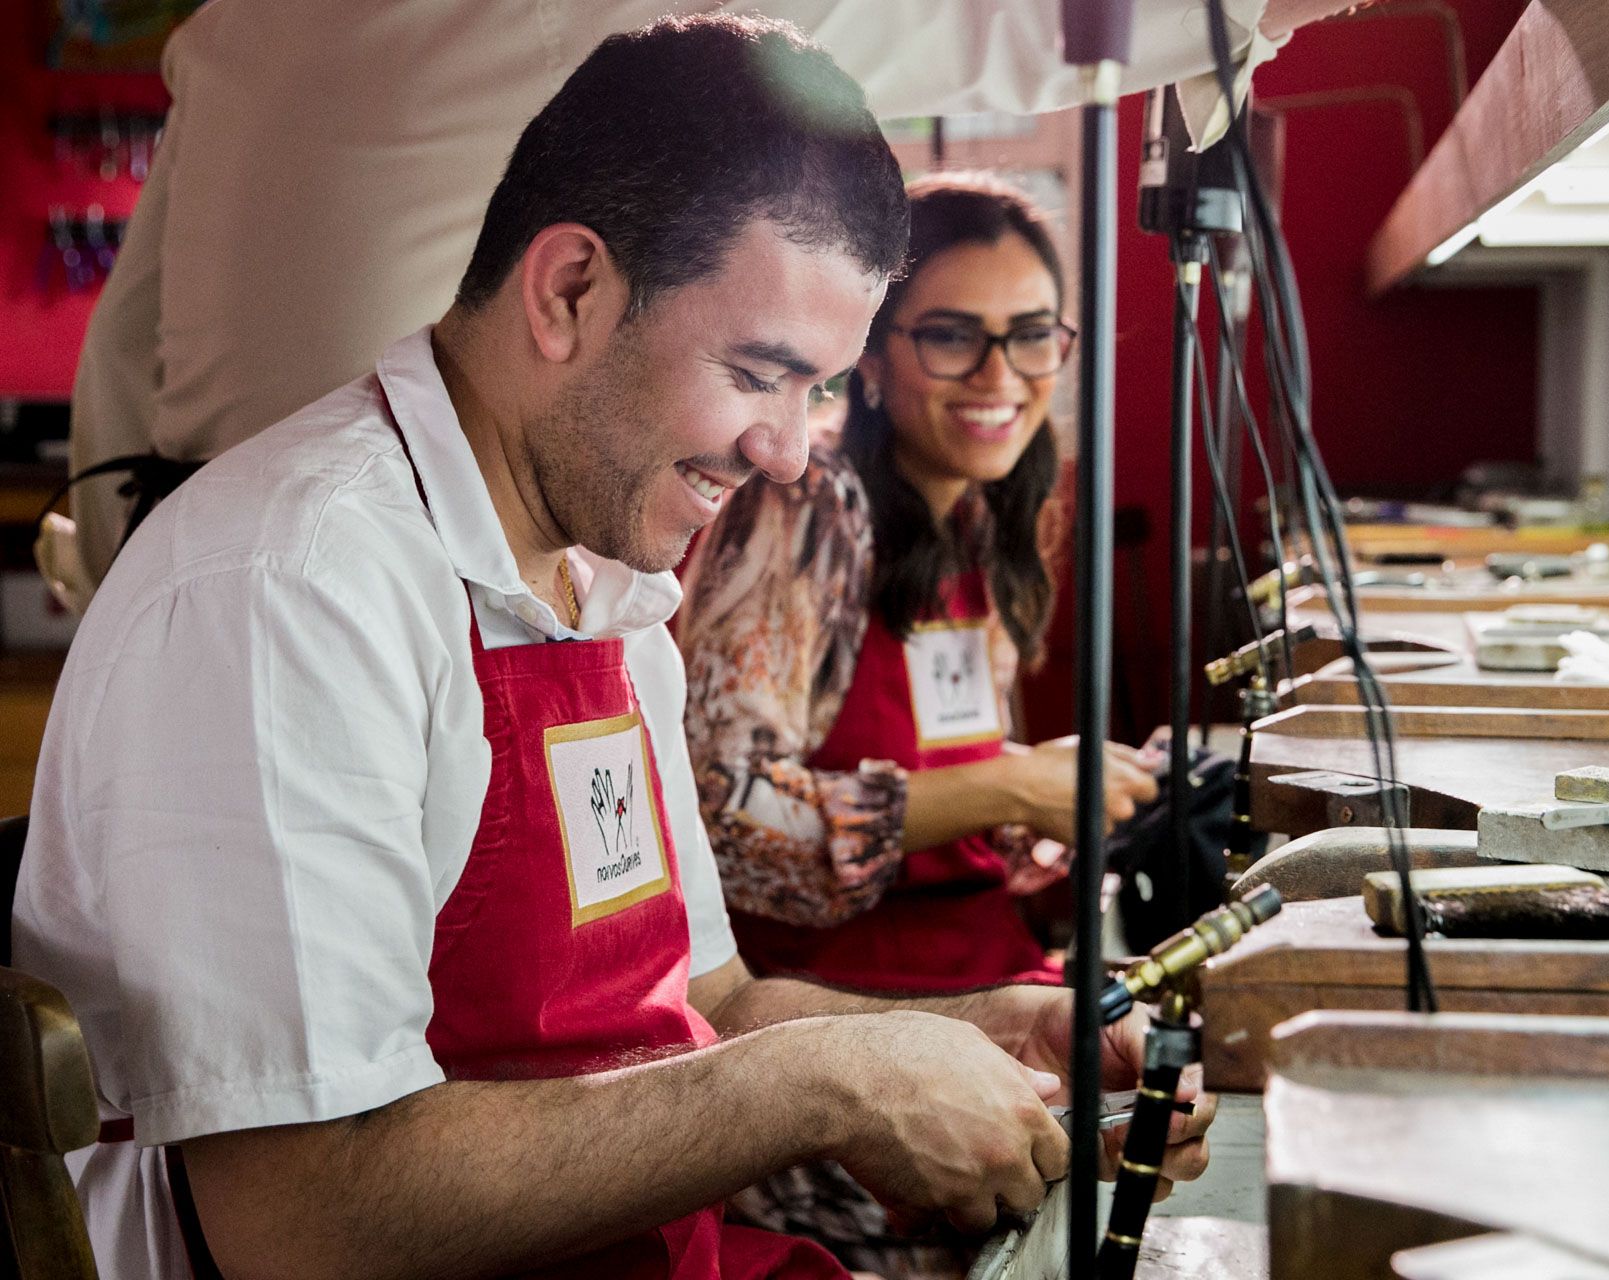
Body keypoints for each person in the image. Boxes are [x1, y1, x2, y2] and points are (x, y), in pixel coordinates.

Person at [12, 19, 1214, 1280]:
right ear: (570, 288)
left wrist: (978, 1035)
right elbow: (300, 1216)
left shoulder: (606, 581)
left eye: (821, 390)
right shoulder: (295, 587)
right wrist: (828, 1089)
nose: (793, 450)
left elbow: (717, 1006)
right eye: (760, 372)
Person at [40, 0, 1336, 608]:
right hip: (377, 626)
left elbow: (125, 365)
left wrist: (122, 587)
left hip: (210, 583)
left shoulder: (245, 25)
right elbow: (1019, 22)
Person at [679, 173, 1157, 996]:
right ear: (868, 355)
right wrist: (1005, 785)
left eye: (1031, 334)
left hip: (983, 964)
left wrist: (1043, 793)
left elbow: (929, 761)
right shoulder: (807, 504)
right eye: (951, 336)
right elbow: (722, 816)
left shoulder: (981, 516)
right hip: (837, 1004)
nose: (999, 376)